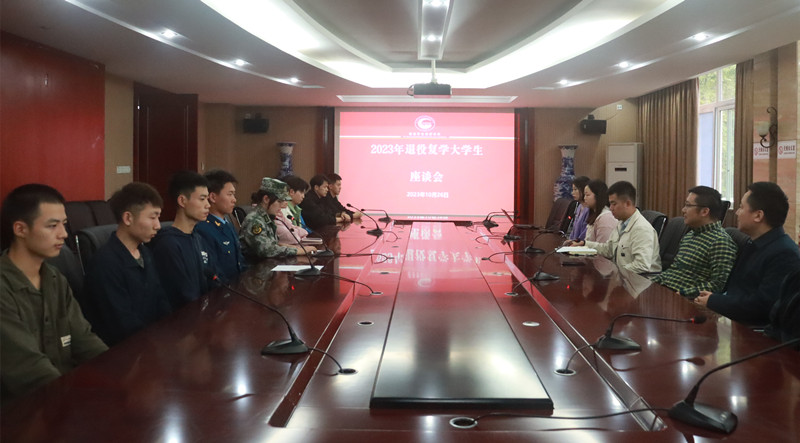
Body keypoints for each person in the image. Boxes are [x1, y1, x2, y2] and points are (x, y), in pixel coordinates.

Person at [1, 184, 107, 403]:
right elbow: (28, 369)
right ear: (20, 229)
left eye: (64, 224)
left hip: (62, 397)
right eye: (52, 226)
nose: (64, 234)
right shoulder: (4, 287)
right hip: (22, 409)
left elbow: (84, 340)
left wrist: (117, 374)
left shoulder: (55, 278)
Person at [695, 182, 800, 325]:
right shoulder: (753, 243)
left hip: (753, 332)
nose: (737, 213)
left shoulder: (784, 254)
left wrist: (714, 301)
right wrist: (714, 297)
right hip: (734, 323)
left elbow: (761, 307)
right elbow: (737, 290)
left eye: (741, 207)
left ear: (758, 215)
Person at [83, 182, 171, 346]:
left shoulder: (145, 253)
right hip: (124, 350)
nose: (158, 226)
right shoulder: (105, 264)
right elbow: (122, 324)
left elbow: (160, 300)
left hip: (151, 343)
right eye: (152, 217)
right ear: (128, 218)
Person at [652, 186, 737, 297]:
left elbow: (718, 285)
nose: (683, 210)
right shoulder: (689, 235)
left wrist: (684, 293)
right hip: (664, 291)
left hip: (682, 298)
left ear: (704, 211)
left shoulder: (721, 242)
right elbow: (673, 271)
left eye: (688, 205)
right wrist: (650, 283)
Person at [149, 171, 215, 310]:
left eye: (207, 199)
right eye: (202, 199)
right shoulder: (168, 245)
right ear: (182, 201)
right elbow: (182, 296)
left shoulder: (197, 237)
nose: (208, 205)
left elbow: (211, 279)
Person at [581, 181, 661, 273]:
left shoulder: (641, 229)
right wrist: (584, 244)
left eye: (614, 204)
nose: (611, 208)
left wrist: (615, 273)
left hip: (640, 280)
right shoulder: (621, 223)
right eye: (610, 204)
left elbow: (641, 265)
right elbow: (609, 250)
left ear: (627, 203)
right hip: (623, 277)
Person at [240, 178, 316, 259]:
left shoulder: (267, 217)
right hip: (254, 265)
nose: (282, 206)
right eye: (279, 201)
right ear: (266, 199)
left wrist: (295, 247)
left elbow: (272, 244)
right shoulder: (255, 220)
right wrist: (298, 251)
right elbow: (266, 250)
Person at [195, 169, 246, 284]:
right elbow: (213, 272)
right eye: (230, 194)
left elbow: (240, 261)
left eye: (234, 194)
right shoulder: (203, 229)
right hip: (222, 290)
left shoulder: (227, 224)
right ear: (213, 197)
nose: (234, 200)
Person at [565, 179, 617, 245]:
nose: (584, 198)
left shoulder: (606, 218)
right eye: (584, 195)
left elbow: (602, 247)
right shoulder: (593, 214)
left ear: (598, 196)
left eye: (587, 195)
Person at [567, 176, 590, 241]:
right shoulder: (579, 206)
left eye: (575, 189)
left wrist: (575, 242)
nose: (572, 193)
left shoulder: (589, 209)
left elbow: (584, 233)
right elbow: (573, 230)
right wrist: (570, 240)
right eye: (572, 190)